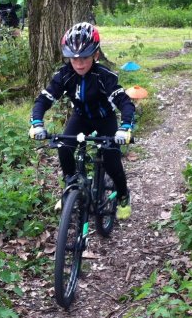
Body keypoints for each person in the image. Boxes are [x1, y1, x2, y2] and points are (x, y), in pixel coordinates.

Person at [28, 22, 135, 219]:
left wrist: (126, 127)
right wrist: (37, 123)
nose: (79, 63)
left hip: (104, 119)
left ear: (95, 55)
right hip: (81, 117)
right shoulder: (65, 75)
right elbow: (43, 100)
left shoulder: (104, 76)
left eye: (84, 57)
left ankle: (122, 195)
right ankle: (70, 185)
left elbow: (124, 102)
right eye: (73, 58)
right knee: (64, 146)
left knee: (111, 159)